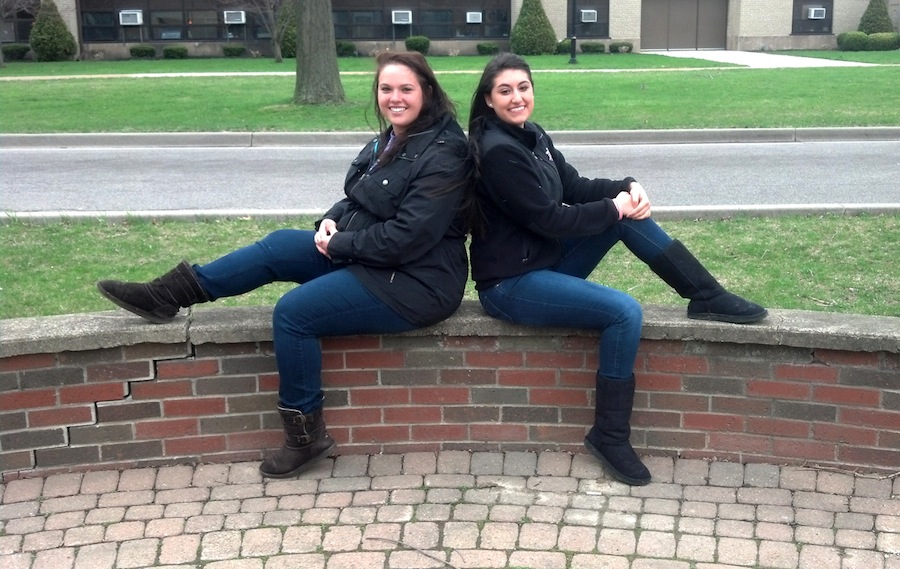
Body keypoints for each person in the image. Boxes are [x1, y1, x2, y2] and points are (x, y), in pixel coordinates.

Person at [96, 51, 470, 479]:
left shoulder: (444, 153)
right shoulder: (394, 138)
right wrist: (331, 220)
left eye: (406, 89)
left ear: (427, 91)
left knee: (294, 313)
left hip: (416, 283)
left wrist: (340, 244)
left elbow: (407, 237)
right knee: (278, 246)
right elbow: (361, 197)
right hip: (371, 256)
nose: (395, 98)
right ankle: (166, 295)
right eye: (386, 89)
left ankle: (305, 437)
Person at [466, 53, 766, 486]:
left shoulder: (532, 135)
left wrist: (626, 187)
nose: (517, 98)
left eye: (523, 88)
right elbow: (550, 219)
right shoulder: (498, 152)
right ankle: (609, 436)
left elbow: (574, 187)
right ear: (489, 100)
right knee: (624, 312)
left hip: (544, 262)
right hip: (511, 284)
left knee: (626, 218)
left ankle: (706, 295)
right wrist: (613, 207)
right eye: (505, 91)